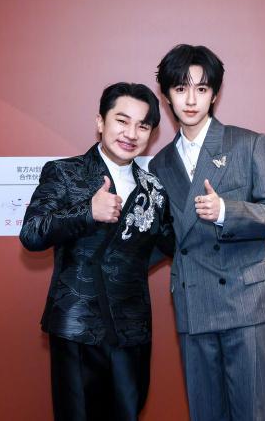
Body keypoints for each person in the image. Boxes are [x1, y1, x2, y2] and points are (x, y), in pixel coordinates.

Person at [148, 44, 265, 421]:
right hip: (193, 303)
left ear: (215, 94)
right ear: (167, 96)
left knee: (253, 413)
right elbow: (165, 238)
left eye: (202, 88)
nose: (191, 100)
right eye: (181, 89)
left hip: (246, 300)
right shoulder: (160, 164)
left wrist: (226, 211)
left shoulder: (248, 143)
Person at [20, 82, 174, 421]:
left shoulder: (155, 189)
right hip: (76, 326)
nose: (131, 133)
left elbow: (171, 243)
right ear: (101, 122)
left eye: (143, 126)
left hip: (132, 331)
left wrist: (235, 233)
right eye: (122, 121)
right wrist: (87, 212)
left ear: (151, 134)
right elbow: (31, 233)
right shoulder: (65, 172)